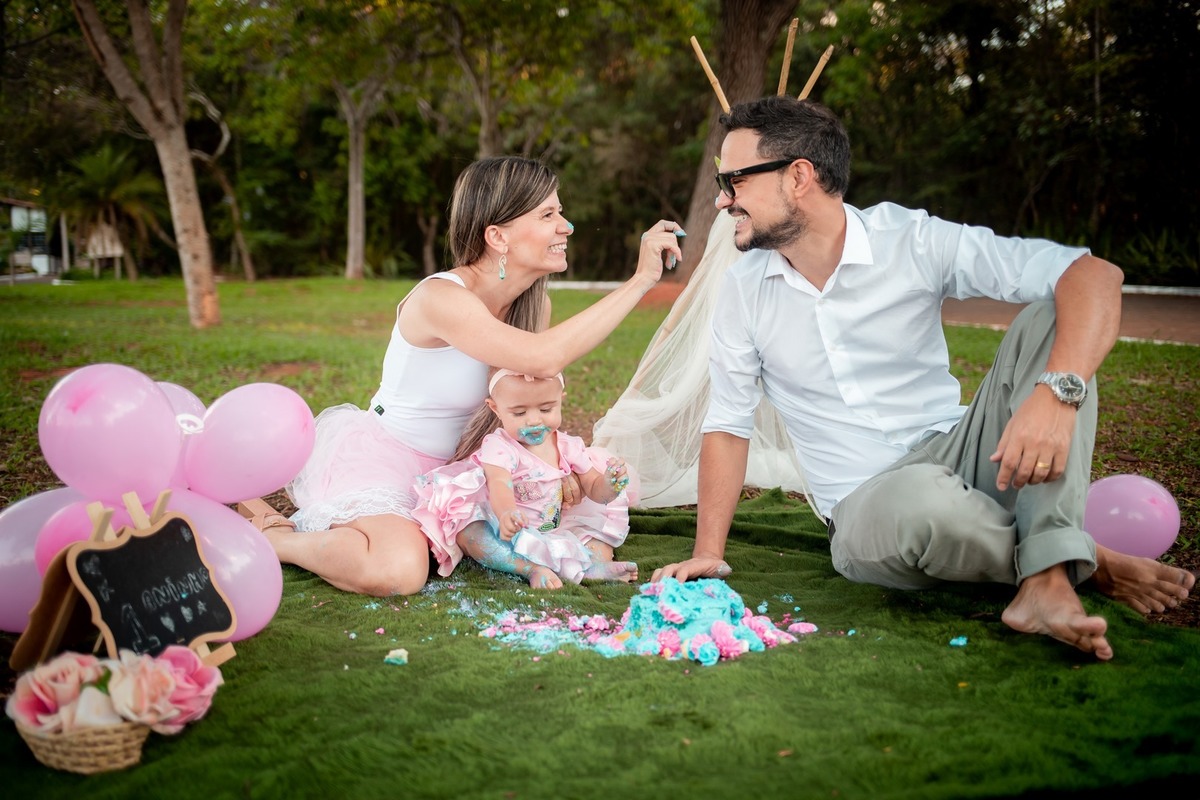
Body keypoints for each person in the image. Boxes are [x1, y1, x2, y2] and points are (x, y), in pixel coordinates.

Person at [651, 96, 1193, 661]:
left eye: (734, 180)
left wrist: (1058, 394)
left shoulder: (911, 239)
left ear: (799, 177)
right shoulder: (743, 291)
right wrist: (709, 552)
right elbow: (729, 423)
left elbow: (1093, 275)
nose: (721, 199)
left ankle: (1048, 578)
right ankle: (1076, 560)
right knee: (917, 499)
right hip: (870, 509)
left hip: (969, 456)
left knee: (1053, 315)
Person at [256, 156, 684, 597]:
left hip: (472, 469)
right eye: (548, 214)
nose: (567, 227)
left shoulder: (534, 307)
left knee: (584, 527)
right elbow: (542, 358)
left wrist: (556, 468)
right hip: (391, 461)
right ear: (497, 236)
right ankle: (278, 540)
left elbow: (525, 407)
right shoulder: (440, 297)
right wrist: (641, 279)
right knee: (398, 571)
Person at [410, 367, 638, 589]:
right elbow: (499, 483)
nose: (534, 421)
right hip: (507, 528)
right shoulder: (500, 446)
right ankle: (528, 568)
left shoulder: (568, 446)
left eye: (546, 409)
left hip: (555, 526)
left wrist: (609, 485)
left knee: (600, 531)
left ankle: (594, 567)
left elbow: (593, 487)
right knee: (470, 534)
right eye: (519, 413)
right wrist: (507, 512)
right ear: (496, 409)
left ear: (561, 400)